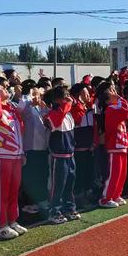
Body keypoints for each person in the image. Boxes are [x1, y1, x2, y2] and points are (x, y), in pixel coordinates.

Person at [0, 82, 27, 240]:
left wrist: (21, 152)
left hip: (15, 156)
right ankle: (1, 225)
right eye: (1, 87)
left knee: (13, 190)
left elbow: (20, 130)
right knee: (1, 192)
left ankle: (12, 220)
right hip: (1, 156)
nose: (5, 89)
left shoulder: (12, 109)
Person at [44, 86, 79, 223]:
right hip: (59, 156)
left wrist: (70, 104)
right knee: (58, 185)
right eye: (65, 97)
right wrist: (67, 104)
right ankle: (54, 211)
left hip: (70, 154)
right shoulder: (52, 114)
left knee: (70, 183)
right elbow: (56, 121)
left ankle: (69, 207)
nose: (68, 99)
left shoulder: (68, 113)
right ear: (58, 100)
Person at [20, 86, 50, 215]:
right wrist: (30, 102)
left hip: (42, 146)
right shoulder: (27, 107)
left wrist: (44, 108)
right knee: (31, 176)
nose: (38, 97)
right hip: (31, 147)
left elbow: (47, 121)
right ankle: (29, 203)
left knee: (41, 174)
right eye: (35, 94)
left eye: (39, 94)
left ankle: (41, 199)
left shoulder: (40, 108)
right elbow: (22, 113)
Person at [99, 86, 128, 208]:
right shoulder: (111, 109)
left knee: (122, 173)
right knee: (114, 173)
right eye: (111, 93)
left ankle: (116, 195)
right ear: (107, 101)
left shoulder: (115, 108)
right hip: (114, 146)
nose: (114, 93)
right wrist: (121, 98)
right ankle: (106, 198)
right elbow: (125, 111)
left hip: (121, 145)